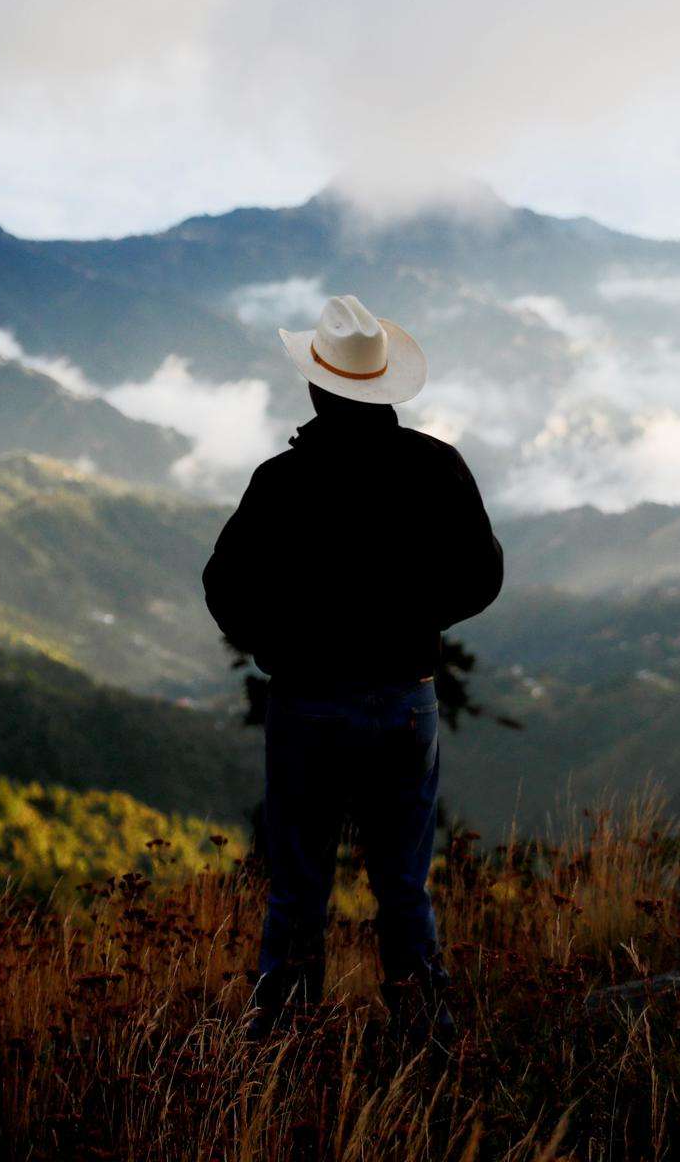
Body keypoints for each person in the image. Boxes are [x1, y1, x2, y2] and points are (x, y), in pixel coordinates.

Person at [203, 294, 503, 1043]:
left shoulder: (283, 481)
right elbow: (483, 576)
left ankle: (280, 1048)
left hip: (305, 701)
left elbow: (224, 585)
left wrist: (277, 648)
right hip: (405, 700)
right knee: (403, 885)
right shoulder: (437, 468)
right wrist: (413, 623)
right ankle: (427, 1042)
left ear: (316, 386)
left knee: (299, 886)